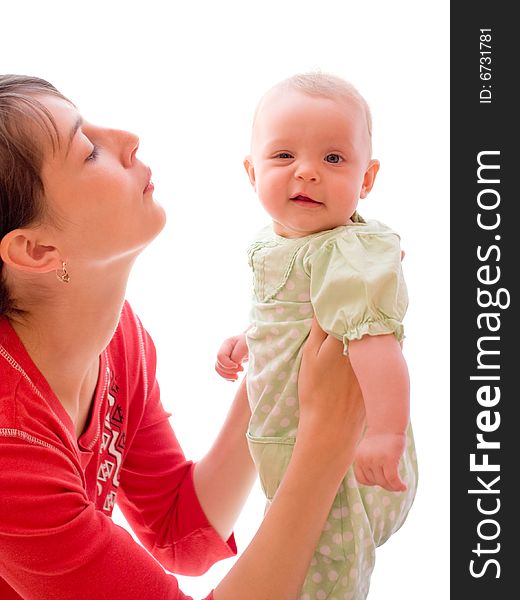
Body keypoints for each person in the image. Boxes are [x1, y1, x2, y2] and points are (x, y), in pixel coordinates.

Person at [0, 75, 367, 600]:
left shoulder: (116, 337)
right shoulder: (9, 450)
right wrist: (325, 445)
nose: (128, 139)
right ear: (35, 251)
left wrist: (280, 356)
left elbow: (181, 533)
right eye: (87, 151)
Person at [216, 72, 419, 599]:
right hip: (288, 436)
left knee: (327, 566)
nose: (307, 172)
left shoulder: (348, 253)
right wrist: (251, 340)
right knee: (291, 552)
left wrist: (386, 433)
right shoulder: (280, 241)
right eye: (284, 156)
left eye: (333, 159)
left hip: (341, 449)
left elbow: (377, 345)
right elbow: (292, 313)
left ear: (366, 179)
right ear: (250, 170)